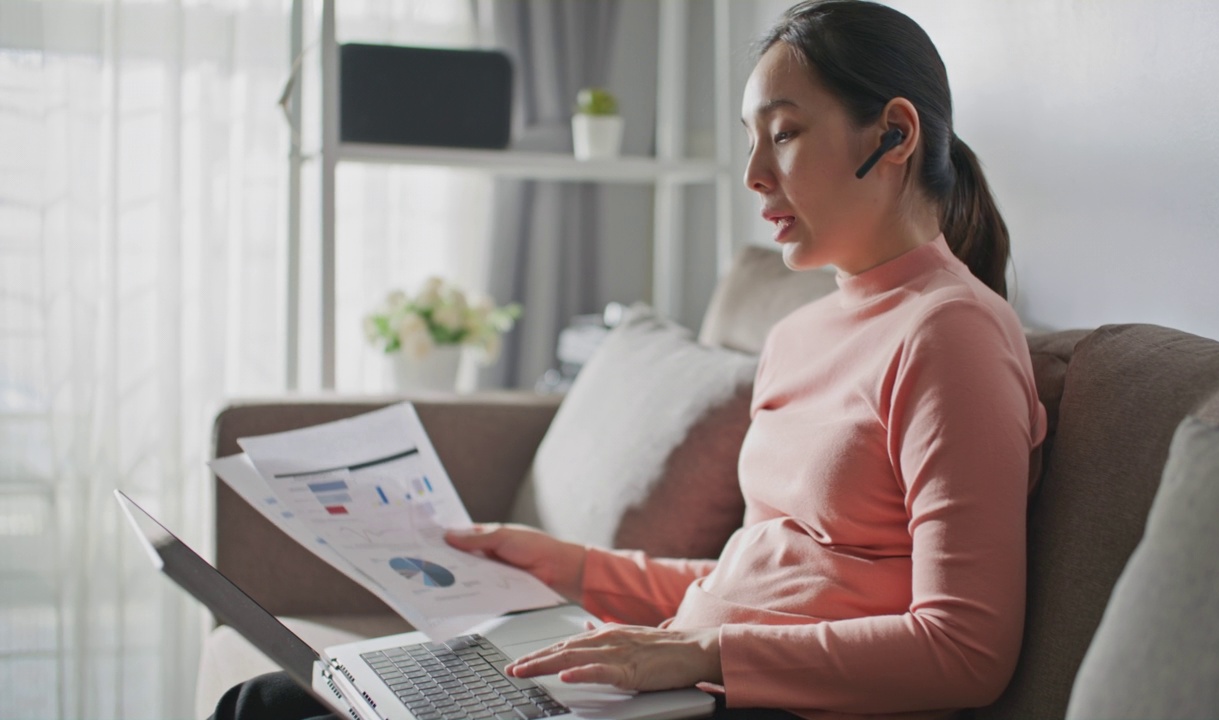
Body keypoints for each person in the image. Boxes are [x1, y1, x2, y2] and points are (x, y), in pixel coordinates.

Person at [210, 2, 1045, 719]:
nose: (754, 175)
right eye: (751, 141)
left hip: (774, 706)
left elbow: (965, 647)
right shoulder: (800, 333)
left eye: (784, 134)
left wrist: (704, 656)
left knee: (273, 710)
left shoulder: (953, 336)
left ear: (894, 134)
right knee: (282, 697)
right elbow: (762, 572)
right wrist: (567, 566)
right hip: (692, 687)